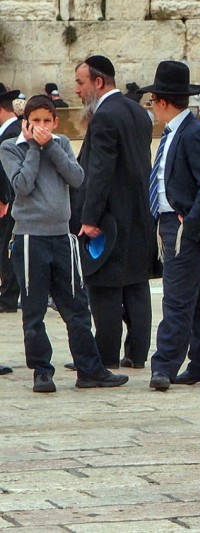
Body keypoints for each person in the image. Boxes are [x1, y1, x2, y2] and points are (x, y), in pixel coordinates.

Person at [0, 95, 128, 392]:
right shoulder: (10, 148)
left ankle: (90, 369)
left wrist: (51, 147)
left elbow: (77, 177)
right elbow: (22, 185)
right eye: (36, 121)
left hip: (61, 237)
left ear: (55, 122)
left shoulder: (61, 144)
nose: (42, 126)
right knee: (33, 311)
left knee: (76, 307)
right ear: (26, 123)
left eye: (47, 121)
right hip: (30, 237)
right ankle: (42, 371)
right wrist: (34, 146)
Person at [141, 61, 200, 391]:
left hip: (182, 228)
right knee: (198, 299)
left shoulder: (194, 133)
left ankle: (164, 364)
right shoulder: (175, 132)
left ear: (162, 102)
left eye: (153, 101)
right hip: (170, 223)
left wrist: (190, 225)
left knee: (176, 298)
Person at [73, 55, 156, 370]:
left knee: (104, 285)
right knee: (136, 283)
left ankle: (105, 355)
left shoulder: (105, 116)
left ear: (98, 82)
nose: (77, 91)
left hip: (112, 219)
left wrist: (89, 217)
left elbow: (100, 172)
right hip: (139, 214)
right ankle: (137, 353)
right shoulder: (138, 111)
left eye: (81, 83)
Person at [0, 84, 22, 314]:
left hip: (11, 201)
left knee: (8, 247)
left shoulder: (12, 133)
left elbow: (9, 170)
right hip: (9, 199)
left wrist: (4, 198)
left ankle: (8, 297)